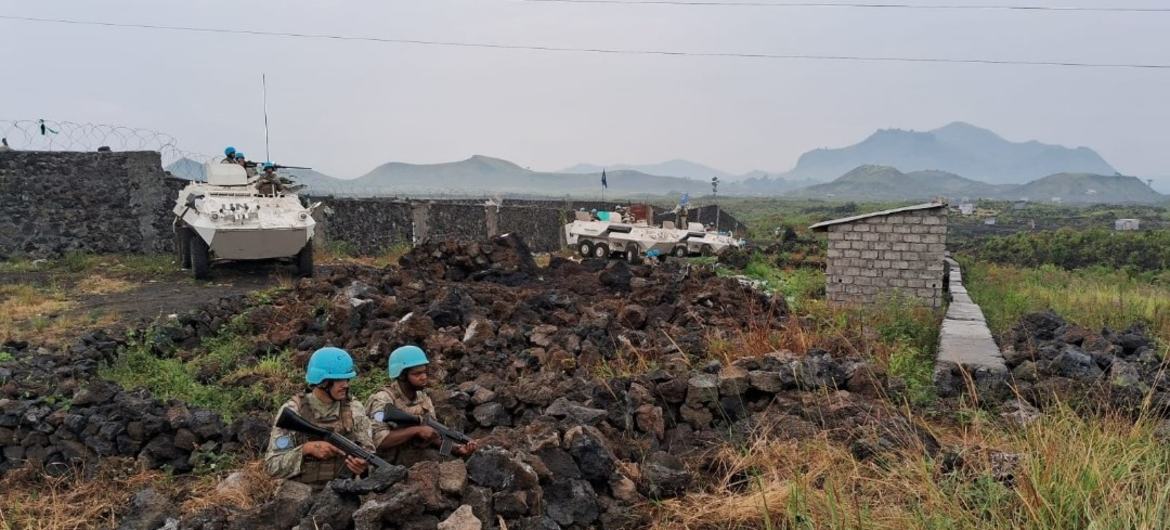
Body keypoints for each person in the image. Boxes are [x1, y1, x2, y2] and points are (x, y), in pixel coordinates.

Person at [264, 347, 375, 485]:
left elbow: (368, 451)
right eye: (338, 379)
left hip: (343, 490)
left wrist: (362, 465)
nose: (345, 385)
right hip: (300, 493)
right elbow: (272, 467)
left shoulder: (354, 408)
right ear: (322, 382)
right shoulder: (293, 411)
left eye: (347, 379)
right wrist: (307, 449)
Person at [368, 346, 478, 465]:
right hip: (387, 464)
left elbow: (434, 436)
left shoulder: (423, 398)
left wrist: (457, 448)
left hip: (414, 457)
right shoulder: (383, 399)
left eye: (425, 372)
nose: (424, 377)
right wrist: (416, 430)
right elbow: (379, 440)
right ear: (402, 376)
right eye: (417, 374)